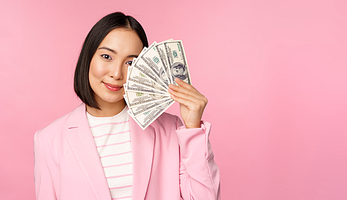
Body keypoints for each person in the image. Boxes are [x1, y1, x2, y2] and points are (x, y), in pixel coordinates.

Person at [34, 12, 220, 200]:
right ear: (88, 57)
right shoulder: (49, 140)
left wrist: (193, 129)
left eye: (131, 62)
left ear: (145, 68)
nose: (116, 73)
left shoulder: (170, 129)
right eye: (107, 56)